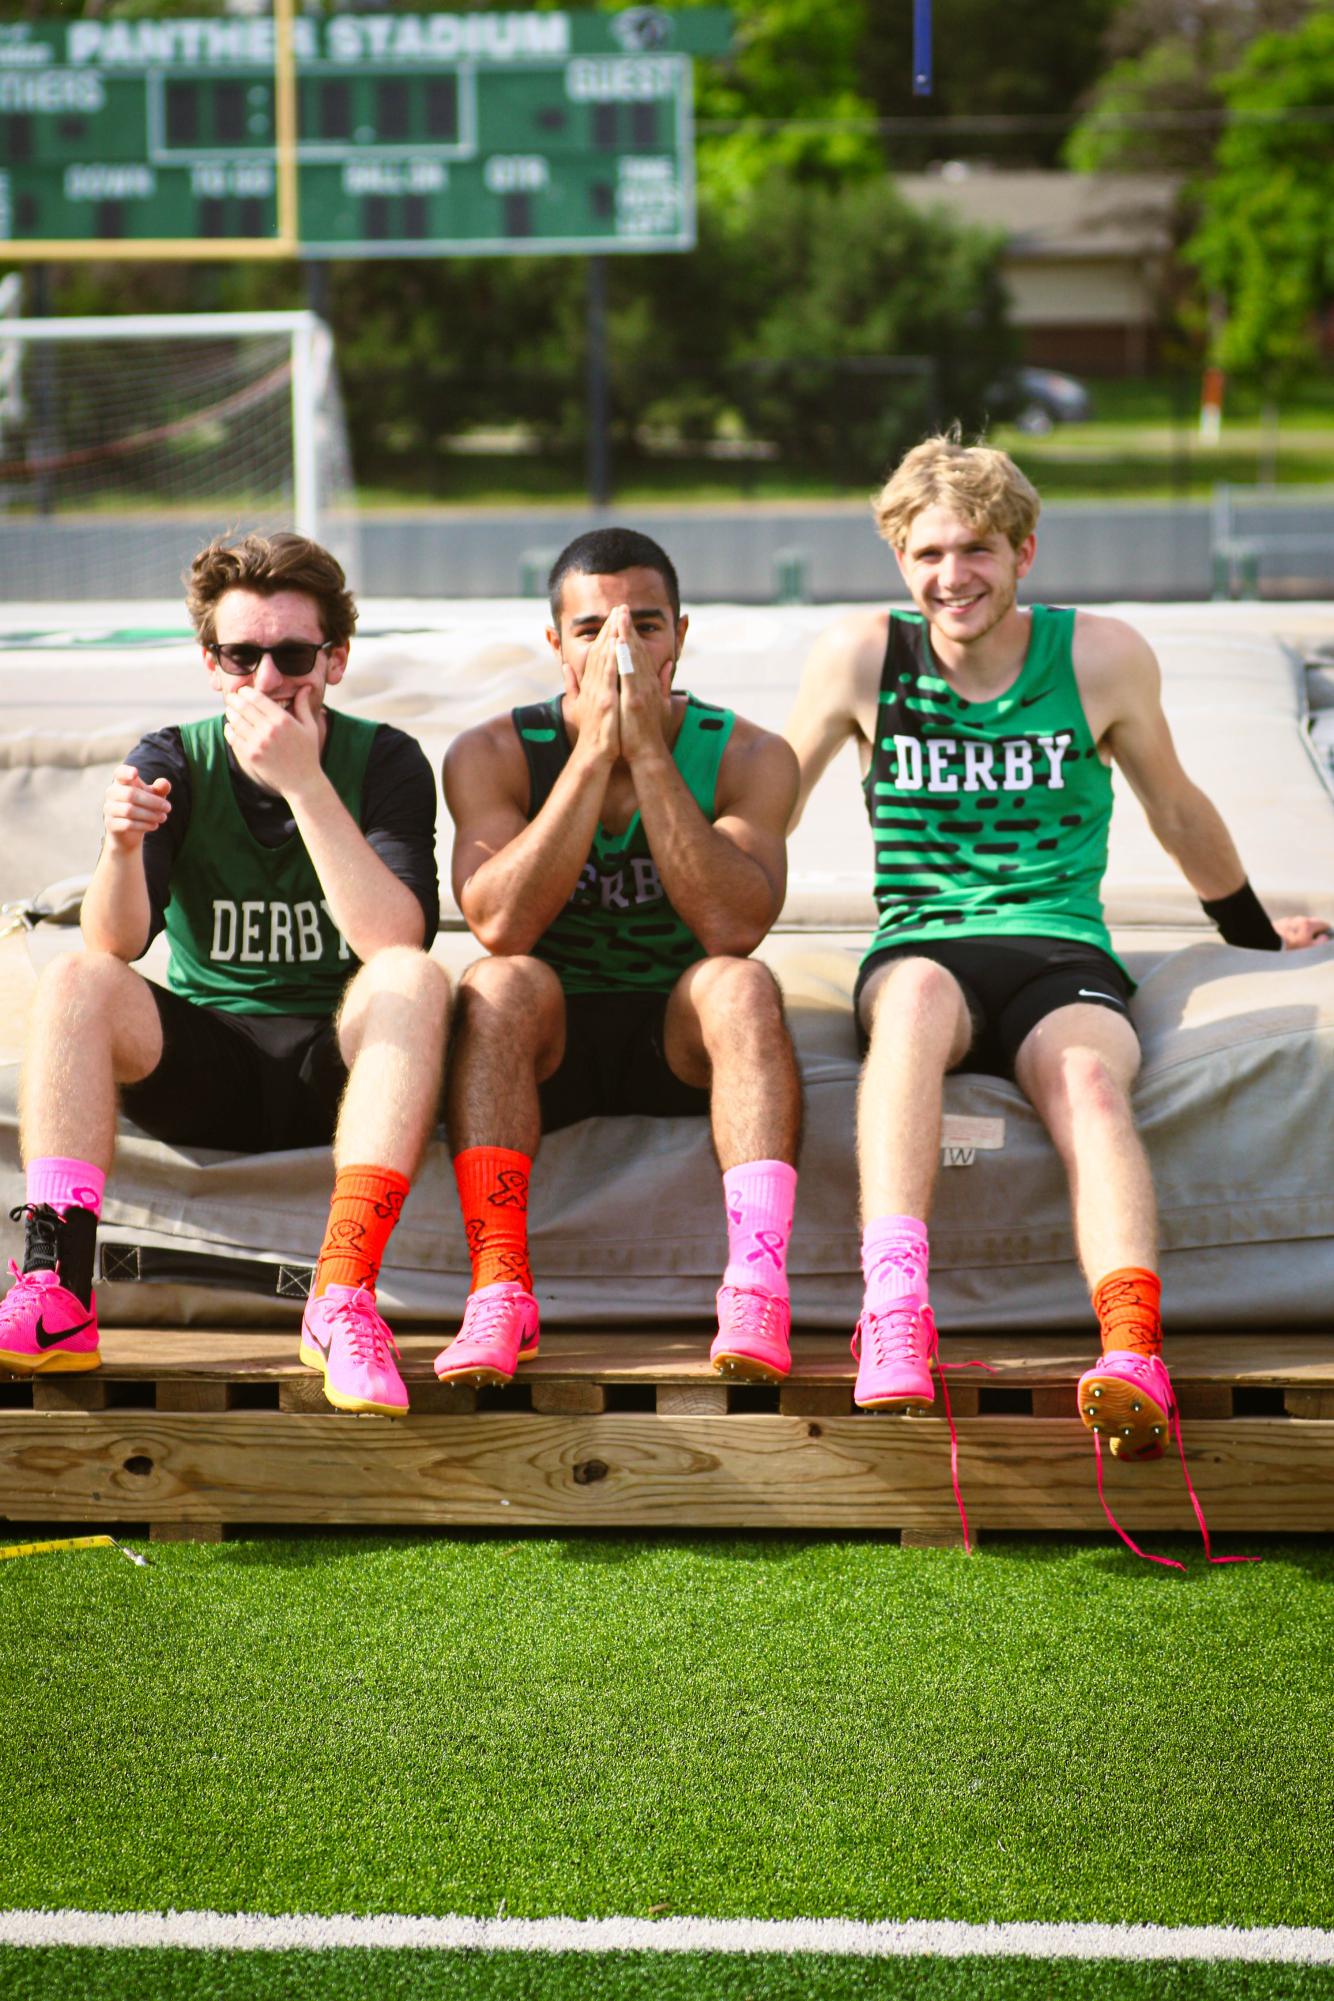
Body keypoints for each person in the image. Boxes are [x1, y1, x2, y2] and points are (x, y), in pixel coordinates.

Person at [785, 433, 1328, 1467]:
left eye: (978, 550)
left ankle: (1129, 1351)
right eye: (930, 553)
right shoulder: (861, 657)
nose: (954, 577)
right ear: (900, 559)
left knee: (1086, 1080)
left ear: (1023, 552)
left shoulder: (1098, 656)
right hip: (921, 945)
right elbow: (766, 814)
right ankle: (895, 1310)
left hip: (1055, 945)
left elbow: (1173, 805)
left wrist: (1255, 935)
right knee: (907, 1013)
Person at [0, 532, 449, 1418]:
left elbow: (393, 937)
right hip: (214, 1058)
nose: (267, 679)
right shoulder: (175, 755)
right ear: (211, 664)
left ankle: (344, 1298)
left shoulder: (386, 760)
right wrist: (123, 847)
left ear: (336, 659)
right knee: (74, 978)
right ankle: (57, 1289)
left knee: (413, 981)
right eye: (242, 655)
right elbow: (114, 944)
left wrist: (305, 786)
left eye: (291, 654)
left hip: (340, 1066)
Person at [436, 526, 803, 1386]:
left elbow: (732, 923)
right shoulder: (492, 752)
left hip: (672, 1028)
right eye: (595, 628)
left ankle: (757, 1285)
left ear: (681, 635)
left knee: (741, 985)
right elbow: (500, 923)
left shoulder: (750, 754)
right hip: (552, 1028)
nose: (622, 647)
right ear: (555, 644)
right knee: (497, 983)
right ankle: (498, 1287)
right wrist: (595, 755)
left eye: (645, 624)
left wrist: (646, 752)